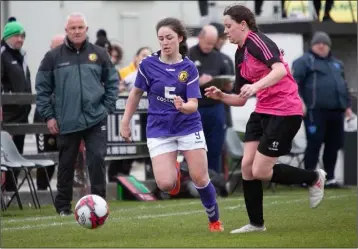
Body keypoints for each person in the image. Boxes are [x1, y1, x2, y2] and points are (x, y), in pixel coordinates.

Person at [204, 4, 326, 234]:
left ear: (243, 25)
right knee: (247, 167)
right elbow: (240, 99)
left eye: (229, 26)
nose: (226, 31)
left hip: (285, 111)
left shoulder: (257, 41)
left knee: (260, 170)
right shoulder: (240, 53)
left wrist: (256, 86)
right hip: (262, 111)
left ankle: (313, 178)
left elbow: (279, 70)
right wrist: (221, 96)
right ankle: (256, 224)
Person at [120, 17, 223, 232]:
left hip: (188, 125)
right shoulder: (148, 64)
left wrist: (183, 106)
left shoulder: (189, 68)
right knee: (165, 185)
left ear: (180, 38)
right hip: (160, 129)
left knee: (200, 178)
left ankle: (214, 220)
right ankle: (174, 168)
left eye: (169, 37)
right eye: (161, 39)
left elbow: (194, 105)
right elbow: (135, 94)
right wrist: (125, 121)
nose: (165, 42)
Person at [35, 12, 119, 216]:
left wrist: (106, 107)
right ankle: (63, 207)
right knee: (66, 164)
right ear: (66, 31)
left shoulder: (99, 53)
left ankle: (100, 206)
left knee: (97, 159)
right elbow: (42, 89)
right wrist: (49, 116)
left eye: (80, 27)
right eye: (73, 28)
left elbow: (113, 82)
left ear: (86, 29)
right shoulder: (53, 57)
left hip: (95, 118)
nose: (77, 31)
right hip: (67, 120)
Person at [292, 31, 352, 188]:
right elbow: (293, 83)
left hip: (336, 112)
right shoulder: (304, 61)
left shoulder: (337, 63)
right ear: (312, 45)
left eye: (324, 43)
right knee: (315, 143)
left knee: (334, 144)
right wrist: (300, 102)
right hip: (314, 111)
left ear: (329, 46)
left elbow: (343, 86)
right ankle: (308, 178)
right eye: (318, 42)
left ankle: (330, 178)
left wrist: (347, 107)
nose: (321, 45)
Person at [187, 25, 231, 174]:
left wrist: (225, 84)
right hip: (196, 106)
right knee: (196, 145)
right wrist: (197, 81)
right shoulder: (188, 55)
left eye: (212, 44)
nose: (209, 47)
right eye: (207, 43)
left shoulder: (220, 58)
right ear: (200, 37)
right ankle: (196, 178)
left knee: (216, 145)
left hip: (216, 106)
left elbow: (230, 83)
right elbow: (179, 79)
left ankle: (215, 178)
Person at [1, 17, 31, 192]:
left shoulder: (22, 55)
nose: (20, 39)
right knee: (6, 157)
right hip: (7, 117)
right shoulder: (2, 54)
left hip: (22, 115)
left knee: (18, 155)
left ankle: (11, 191)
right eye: (16, 36)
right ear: (7, 36)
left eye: (22, 36)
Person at [34, 34, 65, 190]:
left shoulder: (70, 63)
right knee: (46, 156)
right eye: (56, 46)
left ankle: (62, 191)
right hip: (44, 117)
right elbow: (42, 91)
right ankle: (42, 190)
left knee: (64, 156)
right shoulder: (46, 64)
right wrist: (48, 115)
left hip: (65, 117)